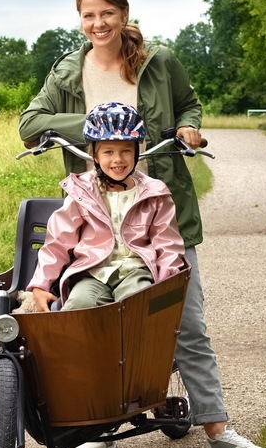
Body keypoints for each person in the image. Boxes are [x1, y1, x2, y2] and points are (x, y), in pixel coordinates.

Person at [17, 0, 266, 448]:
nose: (98, 23)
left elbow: (189, 104)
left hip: (159, 212)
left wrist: (190, 127)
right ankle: (101, 424)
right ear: (80, 20)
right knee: (90, 322)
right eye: (88, 15)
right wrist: (95, 122)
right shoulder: (69, 72)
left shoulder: (159, 62)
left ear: (124, 14)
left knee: (185, 322)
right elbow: (30, 123)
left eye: (106, 13)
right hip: (98, 222)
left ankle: (218, 430)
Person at [21, 102, 185, 314]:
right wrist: (41, 284)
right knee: (77, 308)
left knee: (137, 308)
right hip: (93, 272)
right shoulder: (82, 191)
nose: (118, 159)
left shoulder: (154, 193)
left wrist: (167, 284)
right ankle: (81, 347)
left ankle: (133, 346)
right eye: (108, 152)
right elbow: (58, 242)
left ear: (136, 152)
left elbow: (168, 243)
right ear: (95, 156)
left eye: (126, 150)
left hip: (136, 272)